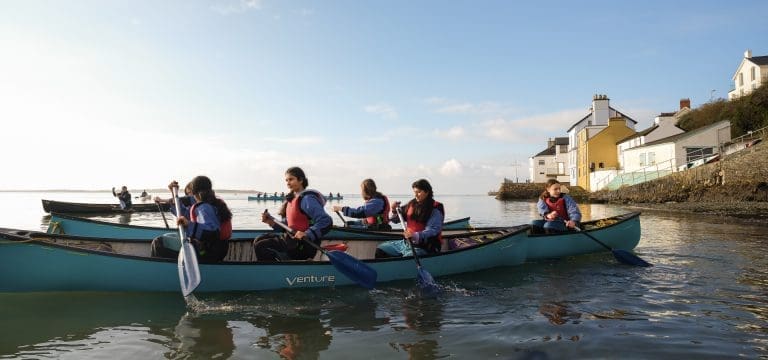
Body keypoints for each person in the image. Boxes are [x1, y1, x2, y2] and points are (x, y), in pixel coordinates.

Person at [255, 166, 333, 261]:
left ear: (300, 180)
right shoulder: (291, 200)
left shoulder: (307, 199)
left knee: (261, 246)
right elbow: (287, 226)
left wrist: (307, 234)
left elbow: (326, 221)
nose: (288, 183)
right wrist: (270, 222)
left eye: (291, 179)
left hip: (302, 245)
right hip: (291, 240)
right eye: (286, 180)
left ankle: (275, 272)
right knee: (259, 239)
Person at [151, 176, 233, 262]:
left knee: (158, 243)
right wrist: (174, 193)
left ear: (194, 192)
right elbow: (183, 213)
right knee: (165, 237)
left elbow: (211, 233)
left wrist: (189, 224)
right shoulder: (206, 204)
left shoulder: (205, 208)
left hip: (207, 252)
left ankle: (161, 270)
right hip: (208, 249)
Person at [375, 179, 444, 258]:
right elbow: (395, 220)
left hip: (425, 247)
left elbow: (433, 230)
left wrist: (415, 235)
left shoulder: (435, 209)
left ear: (427, 192)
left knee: (407, 258)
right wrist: (394, 210)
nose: (416, 195)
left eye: (419, 192)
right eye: (415, 192)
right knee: (381, 249)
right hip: (406, 243)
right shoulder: (411, 204)